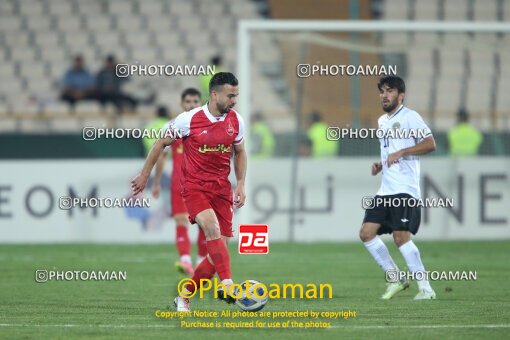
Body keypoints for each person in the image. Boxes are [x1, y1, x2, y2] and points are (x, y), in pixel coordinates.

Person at [131, 72, 246, 312]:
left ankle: (183, 296)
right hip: (194, 187)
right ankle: (227, 284)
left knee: (216, 257)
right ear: (214, 94)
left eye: (236, 95)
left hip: (221, 190)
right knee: (211, 228)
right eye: (230, 95)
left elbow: (240, 152)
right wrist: (145, 175)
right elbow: (160, 143)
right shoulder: (187, 120)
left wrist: (241, 183)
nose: (234, 100)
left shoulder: (236, 121)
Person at [359, 75, 437, 300]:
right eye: (382, 91)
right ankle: (395, 278)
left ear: (400, 96)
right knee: (366, 233)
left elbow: (430, 143)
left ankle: (426, 289)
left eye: (390, 90)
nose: (384, 95)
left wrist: (403, 152)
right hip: (385, 189)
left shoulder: (411, 117)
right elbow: (391, 151)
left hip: (405, 189)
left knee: (401, 236)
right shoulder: (382, 121)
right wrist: (381, 165)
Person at [151, 89, 208, 276]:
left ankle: (200, 261)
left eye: (195, 101)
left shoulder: (208, 125)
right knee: (181, 220)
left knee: (204, 223)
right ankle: (185, 260)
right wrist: (157, 181)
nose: (191, 104)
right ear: (182, 103)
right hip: (179, 181)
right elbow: (162, 156)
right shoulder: (173, 125)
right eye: (188, 101)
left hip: (202, 182)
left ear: (200, 103)